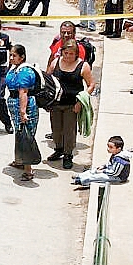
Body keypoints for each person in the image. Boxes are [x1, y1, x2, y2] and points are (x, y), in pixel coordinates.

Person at [46, 39, 94, 169]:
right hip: (56, 102)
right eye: (65, 53)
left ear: (76, 54)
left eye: (71, 54)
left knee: (69, 131)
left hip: (72, 104)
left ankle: (68, 155)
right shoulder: (55, 62)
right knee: (56, 129)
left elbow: (91, 85)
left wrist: (81, 101)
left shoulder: (83, 66)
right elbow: (47, 80)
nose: (68, 56)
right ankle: (59, 149)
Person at [5, 44, 41, 181]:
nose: (11, 58)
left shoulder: (25, 71)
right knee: (20, 134)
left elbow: (23, 92)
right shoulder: (15, 69)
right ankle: (20, 161)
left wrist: (23, 112)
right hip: (15, 105)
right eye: (10, 55)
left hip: (25, 106)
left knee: (27, 136)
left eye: (14, 55)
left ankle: (28, 170)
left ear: (22, 57)